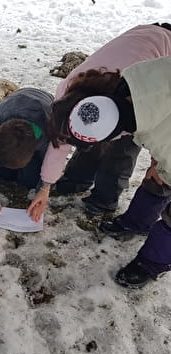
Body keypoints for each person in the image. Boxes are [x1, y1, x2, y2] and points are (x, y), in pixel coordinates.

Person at [42, 54, 171, 288]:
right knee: (157, 177)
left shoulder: (158, 134)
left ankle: (153, 262)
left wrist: (163, 168)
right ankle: (135, 223)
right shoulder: (132, 83)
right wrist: (157, 165)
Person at [29, 23, 171, 218]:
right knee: (90, 138)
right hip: (141, 35)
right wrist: (45, 186)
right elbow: (59, 142)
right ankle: (76, 180)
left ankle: (105, 200)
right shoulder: (68, 91)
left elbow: (161, 131)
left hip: (162, 50)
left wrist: (156, 165)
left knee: (122, 151)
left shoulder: (139, 109)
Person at [0, 88, 54, 217]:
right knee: (3, 174)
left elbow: (51, 161)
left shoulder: (49, 128)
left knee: (31, 180)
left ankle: (25, 169)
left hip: (42, 103)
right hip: (13, 104)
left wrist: (42, 191)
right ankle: (13, 168)